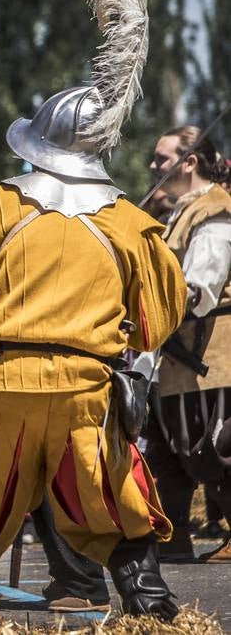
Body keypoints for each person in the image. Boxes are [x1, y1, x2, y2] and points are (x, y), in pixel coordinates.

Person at [0, 0, 187, 621]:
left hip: (5, 386)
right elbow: (159, 319)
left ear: (37, 145)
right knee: (115, 506)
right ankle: (150, 606)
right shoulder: (134, 224)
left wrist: (5, 310)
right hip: (89, 395)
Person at [146, 124, 231, 563]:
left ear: (190, 160)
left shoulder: (214, 210)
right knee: (166, 451)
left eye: (162, 158)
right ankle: (172, 535)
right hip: (180, 356)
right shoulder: (182, 211)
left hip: (213, 354)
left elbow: (201, 286)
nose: (154, 166)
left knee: (216, 449)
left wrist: (145, 306)